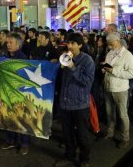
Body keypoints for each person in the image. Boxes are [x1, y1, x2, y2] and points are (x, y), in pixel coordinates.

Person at [54, 33, 94, 167]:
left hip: (79, 104)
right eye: (68, 43)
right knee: (67, 134)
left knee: (82, 135)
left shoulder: (87, 60)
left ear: (80, 45)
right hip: (65, 103)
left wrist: (72, 67)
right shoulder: (65, 57)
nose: (69, 46)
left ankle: (84, 159)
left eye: (72, 43)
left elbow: (87, 81)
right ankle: (69, 155)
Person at [102, 32, 133, 148]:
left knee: (122, 115)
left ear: (118, 41)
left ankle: (125, 138)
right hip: (108, 87)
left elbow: (131, 73)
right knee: (110, 113)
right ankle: (110, 133)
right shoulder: (110, 53)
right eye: (109, 43)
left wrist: (113, 71)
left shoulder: (127, 55)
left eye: (111, 43)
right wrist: (104, 68)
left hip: (120, 89)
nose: (110, 45)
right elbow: (108, 67)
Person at [0, 33, 30, 155]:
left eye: (11, 42)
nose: (8, 44)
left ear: (18, 44)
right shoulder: (5, 56)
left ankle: (24, 143)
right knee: (8, 117)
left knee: (21, 119)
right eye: (7, 42)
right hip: (6, 92)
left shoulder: (23, 58)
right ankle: (11, 140)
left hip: (19, 94)